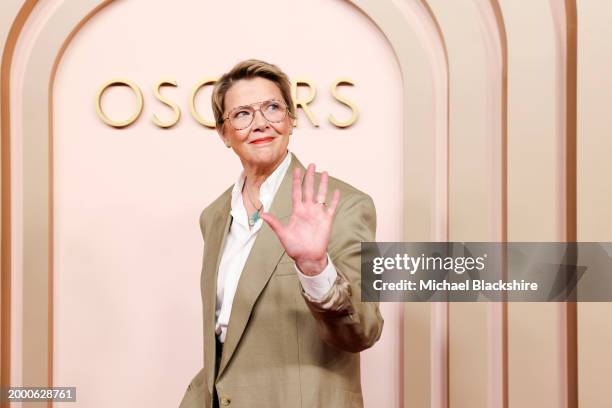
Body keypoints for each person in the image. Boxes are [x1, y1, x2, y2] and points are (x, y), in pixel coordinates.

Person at [179, 59, 383, 408]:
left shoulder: (344, 204)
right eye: (242, 114)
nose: (260, 123)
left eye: (272, 108)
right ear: (223, 133)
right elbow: (225, 335)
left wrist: (315, 267)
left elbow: (364, 328)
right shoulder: (213, 216)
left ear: (291, 120)